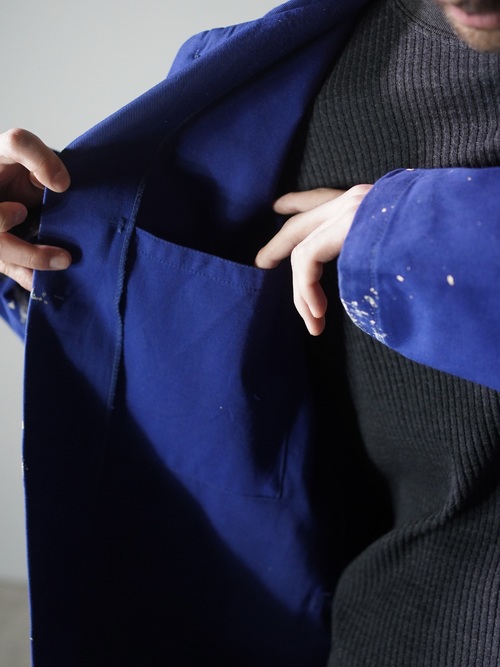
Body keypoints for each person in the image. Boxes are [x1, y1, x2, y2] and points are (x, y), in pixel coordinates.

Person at [1, 0, 500, 665]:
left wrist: (423, 229)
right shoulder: (317, 71)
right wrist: (55, 247)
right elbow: (203, 380)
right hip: (379, 627)